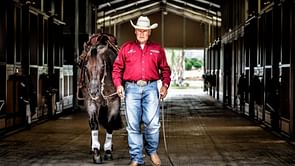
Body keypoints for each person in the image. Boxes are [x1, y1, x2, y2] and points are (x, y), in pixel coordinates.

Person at [112, 16, 171, 166]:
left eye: (145, 31)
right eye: (139, 30)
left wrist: (165, 86)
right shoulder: (126, 48)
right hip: (131, 88)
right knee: (133, 125)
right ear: (135, 31)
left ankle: (152, 151)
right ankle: (136, 158)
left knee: (152, 124)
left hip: (151, 88)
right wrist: (118, 85)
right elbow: (117, 68)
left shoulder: (158, 49)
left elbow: (165, 69)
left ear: (149, 32)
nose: (142, 33)